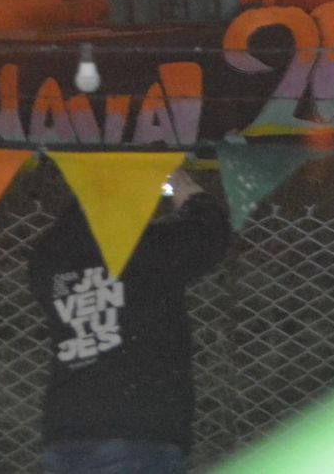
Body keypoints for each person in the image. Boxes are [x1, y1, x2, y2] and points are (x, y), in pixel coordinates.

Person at [29, 167, 230, 473]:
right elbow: (211, 234)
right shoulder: (148, 252)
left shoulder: (49, 256)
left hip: (66, 431)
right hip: (140, 427)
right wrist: (183, 187)